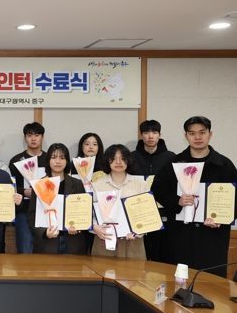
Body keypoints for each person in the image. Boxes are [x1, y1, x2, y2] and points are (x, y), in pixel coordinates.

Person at [151, 116, 237, 278]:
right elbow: (157, 189)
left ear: (210, 134)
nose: (197, 137)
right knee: (179, 282)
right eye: (192, 133)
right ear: (186, 136)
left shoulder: (224, 165)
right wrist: (177, 201)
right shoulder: (174, 163)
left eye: (202, 132)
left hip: (212, 236)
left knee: (212, 284)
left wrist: (222, 217)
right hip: (180, 235)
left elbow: (235, 198)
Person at [28, 143, 87, 255]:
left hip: (72, 242)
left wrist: (78, 226)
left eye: (62, 158)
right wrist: (44, 232)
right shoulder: (40, 184)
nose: (58, 161)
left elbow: (84, 212)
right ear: (48, 161)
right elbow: (32, 215)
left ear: (67, 161)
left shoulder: (77, 184)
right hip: (48, 243)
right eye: (54, 157)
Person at [91, 145, 148, 259]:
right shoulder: (97, 185)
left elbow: (147, 213)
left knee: (134, 270)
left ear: (128, 160)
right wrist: (94, 227)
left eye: (122, 158)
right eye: (114, 158)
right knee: (102, 270)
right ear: (108, 161)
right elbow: (90, 213)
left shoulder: (141, 184)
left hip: (133, 243)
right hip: (104, 240)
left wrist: (139, 230)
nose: (118, 162)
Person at [131, 119, 175, 263]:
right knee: (139, 256)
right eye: (146, 132)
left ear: (159, 135)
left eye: (154, 132)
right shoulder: (131, 157)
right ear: (141, 135)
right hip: (138, 211)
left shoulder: (171, 157)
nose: (150, 136)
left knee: (161, 256)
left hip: (163, 212)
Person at [8, 122, 47, 254]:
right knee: (25, 250)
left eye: (37, 135)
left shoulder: (49, 159)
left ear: (42, 137)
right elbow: (10, 187)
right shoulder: (16, 160)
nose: (33, 138)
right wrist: (24, 192)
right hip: (23, 211)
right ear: (25, 138)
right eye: (30, 135)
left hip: (45, 211)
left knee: (46, 250)